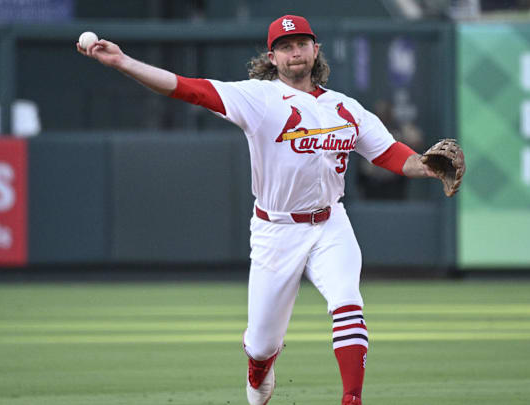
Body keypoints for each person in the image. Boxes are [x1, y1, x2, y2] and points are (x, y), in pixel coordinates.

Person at [77, 14, 462, 405]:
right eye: (285, 47)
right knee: (262, 345)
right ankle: (259, 366)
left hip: (331, 223)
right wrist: (124, 62)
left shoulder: (346, 108)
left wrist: (426, 166)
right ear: (272, 57)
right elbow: (188, 89)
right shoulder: (258, 98)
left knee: (348, 302)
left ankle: (352, 399)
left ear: (316, 50)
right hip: (275, 230)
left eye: (301, 44)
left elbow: (391, 154)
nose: (295, 53)